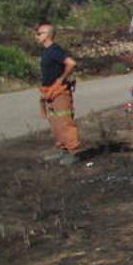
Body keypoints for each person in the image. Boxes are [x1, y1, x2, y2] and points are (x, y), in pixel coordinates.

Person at [35, 22, 81, 165]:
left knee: (64, 121)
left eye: (39, 33)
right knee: (55, 122)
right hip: (49, 92)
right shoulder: (46, 52)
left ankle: (73, 152)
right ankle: (63, 150)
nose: (36, 36)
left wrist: (61, 79)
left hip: (59, 92)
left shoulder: (55, 50)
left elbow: (71, 63)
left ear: (48, 35)